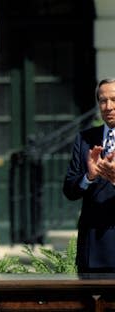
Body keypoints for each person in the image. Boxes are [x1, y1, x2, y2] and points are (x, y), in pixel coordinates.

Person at [63, 78, 115, 273]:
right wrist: (89, 177)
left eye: (114, 99)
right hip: (92, 249)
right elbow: (69, 189)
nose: (108, 106)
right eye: (103, 100)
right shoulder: (85, 138)